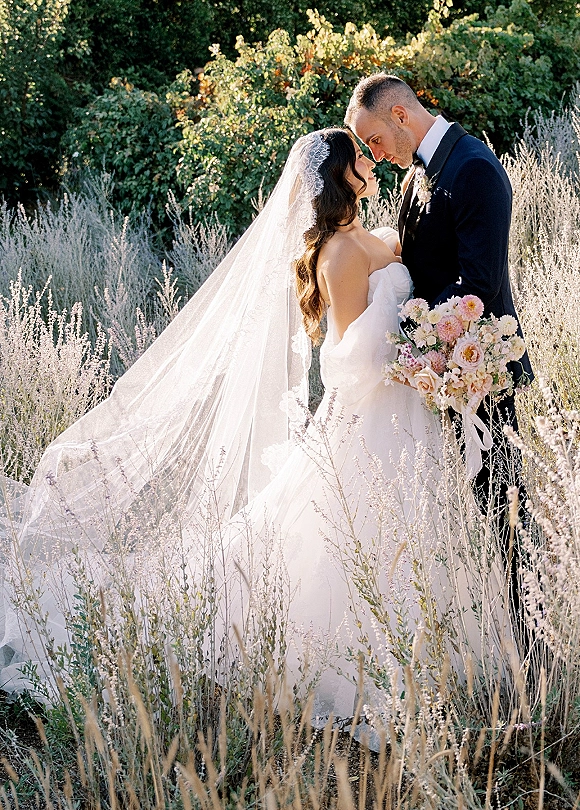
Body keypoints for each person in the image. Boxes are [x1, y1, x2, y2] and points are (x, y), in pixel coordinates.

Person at [0, 128, 508, 719]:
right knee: (359, 540)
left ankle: (432, 662)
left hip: (402, 408)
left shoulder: (358, 236)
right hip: (374, 408)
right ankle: (361, 666)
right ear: (341, 176)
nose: (371, 161)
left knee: (404, 534)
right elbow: (343, 358)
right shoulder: (339, 253)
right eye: (361, 156)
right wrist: (412, 350)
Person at [345, 75, 533, 617]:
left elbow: (479, 284)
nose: (373, 156)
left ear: (400, 116)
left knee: (501, 512)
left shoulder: (473, 168)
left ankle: (526, 640)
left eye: (375, 140)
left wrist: (410, 331)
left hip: (479, 373)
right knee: (452, 515)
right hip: (433, 377)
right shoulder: (416, 174)